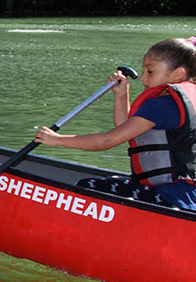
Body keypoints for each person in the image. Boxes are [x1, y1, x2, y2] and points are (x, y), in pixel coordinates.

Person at [35, 37, 196, 211]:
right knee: (110, 182)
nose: (142, 78)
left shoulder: (161, 105)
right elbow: (126, 129)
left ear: (177, 74)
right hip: (185, 194)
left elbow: (106, 141)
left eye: (150, 72)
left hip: (171, 197)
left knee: (88, 186)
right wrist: (121, 95)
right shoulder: (175, 102)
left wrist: (57, 140)